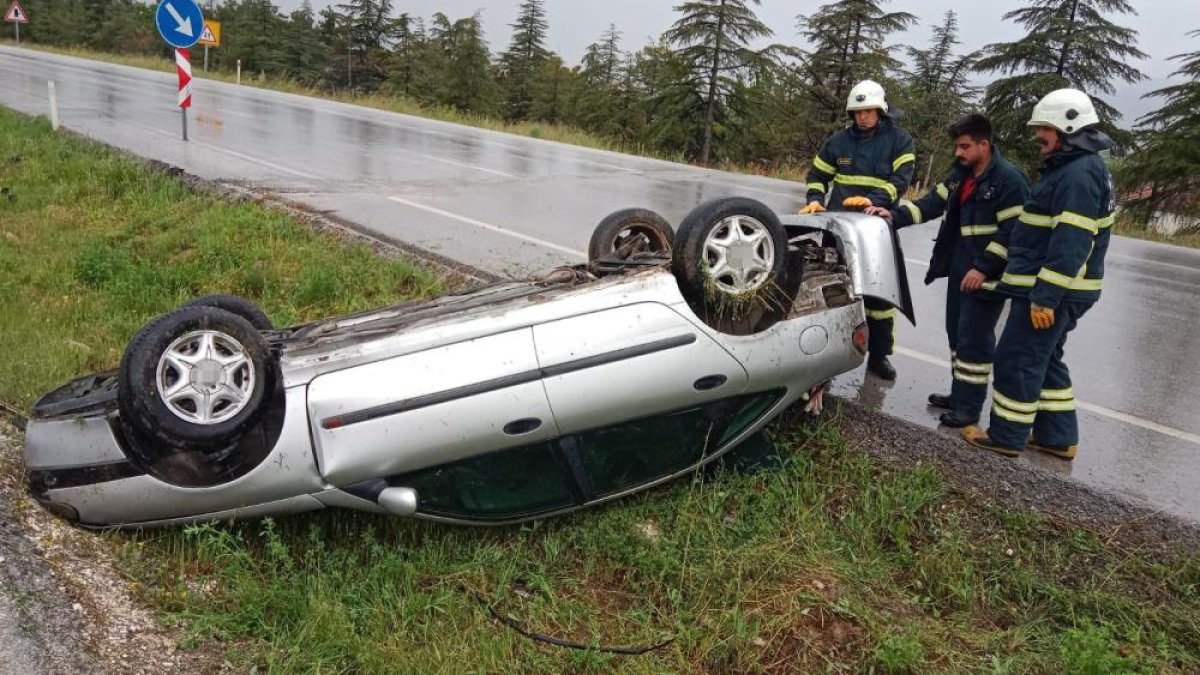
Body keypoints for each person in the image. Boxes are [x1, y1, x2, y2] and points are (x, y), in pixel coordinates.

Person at [962, 88, 1115, 459]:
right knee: (1045, 360)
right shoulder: (1078, 168)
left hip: (1050, 292)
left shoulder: (1078, 174)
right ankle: (1057, 437)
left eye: (1045, 128)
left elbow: (1071, 241)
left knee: (1017, 358)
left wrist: (1045, 297)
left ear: (1068, 128)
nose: (1038, 136)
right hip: (1061, 289)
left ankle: (1006, 436)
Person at [866, 114, 1029, 427]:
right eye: (957, 146)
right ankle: (958, 395)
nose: (958, 152)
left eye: (964, 146)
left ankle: (968, 408)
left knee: (974, 342)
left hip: (985, 276)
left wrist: (983, 268)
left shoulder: (1009, 180)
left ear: (984, 145)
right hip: (960, 268)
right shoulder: (961, 176)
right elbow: (930, 203)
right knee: (957, 335)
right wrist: (892, 216)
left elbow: (1013, 232)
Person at [800, 79, 916, 380]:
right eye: (858, 112)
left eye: (868, 111)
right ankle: (825, 356)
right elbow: (817, 175)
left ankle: (879, 356)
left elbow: (900, 180)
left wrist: (873, 200)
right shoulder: (838, 141)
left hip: (876, 227)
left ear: (881, 110)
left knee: (880, 297)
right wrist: (815, 199)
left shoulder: (900, 140)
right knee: (833, 289)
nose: (862, 117)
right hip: (839, 227)